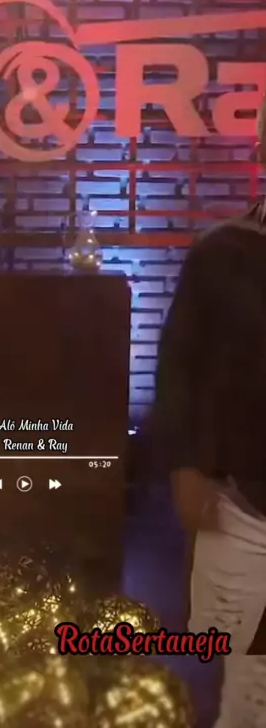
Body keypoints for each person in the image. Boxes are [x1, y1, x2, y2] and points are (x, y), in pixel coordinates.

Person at [150, 131, 266, 725]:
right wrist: (185, 465)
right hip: (241, 502)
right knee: (248, 683)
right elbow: (179, 366)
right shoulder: (222, 253)